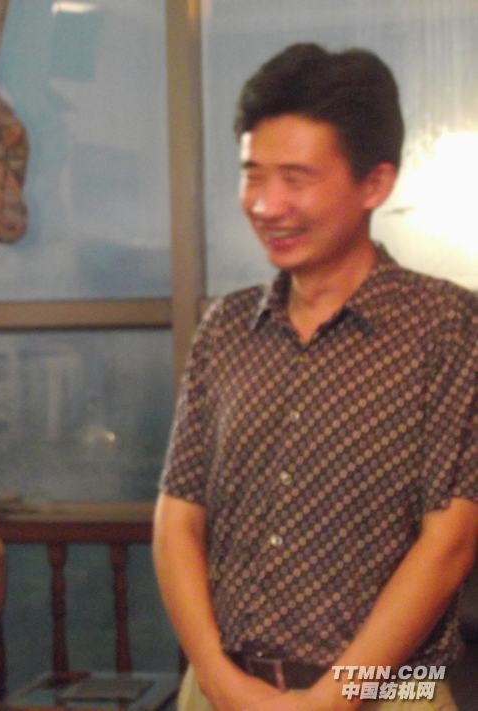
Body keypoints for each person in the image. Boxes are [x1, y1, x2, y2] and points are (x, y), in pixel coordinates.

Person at [153, 43, 476, 711]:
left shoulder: (448, 326)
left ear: (374, 184)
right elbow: (177, 517)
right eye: (253, 175)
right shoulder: (225, 328)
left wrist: (332, 698)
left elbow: (448, 543)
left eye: (295, 179)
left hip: (392, 693)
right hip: (220, 688)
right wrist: (214, 675)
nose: (266, 205)